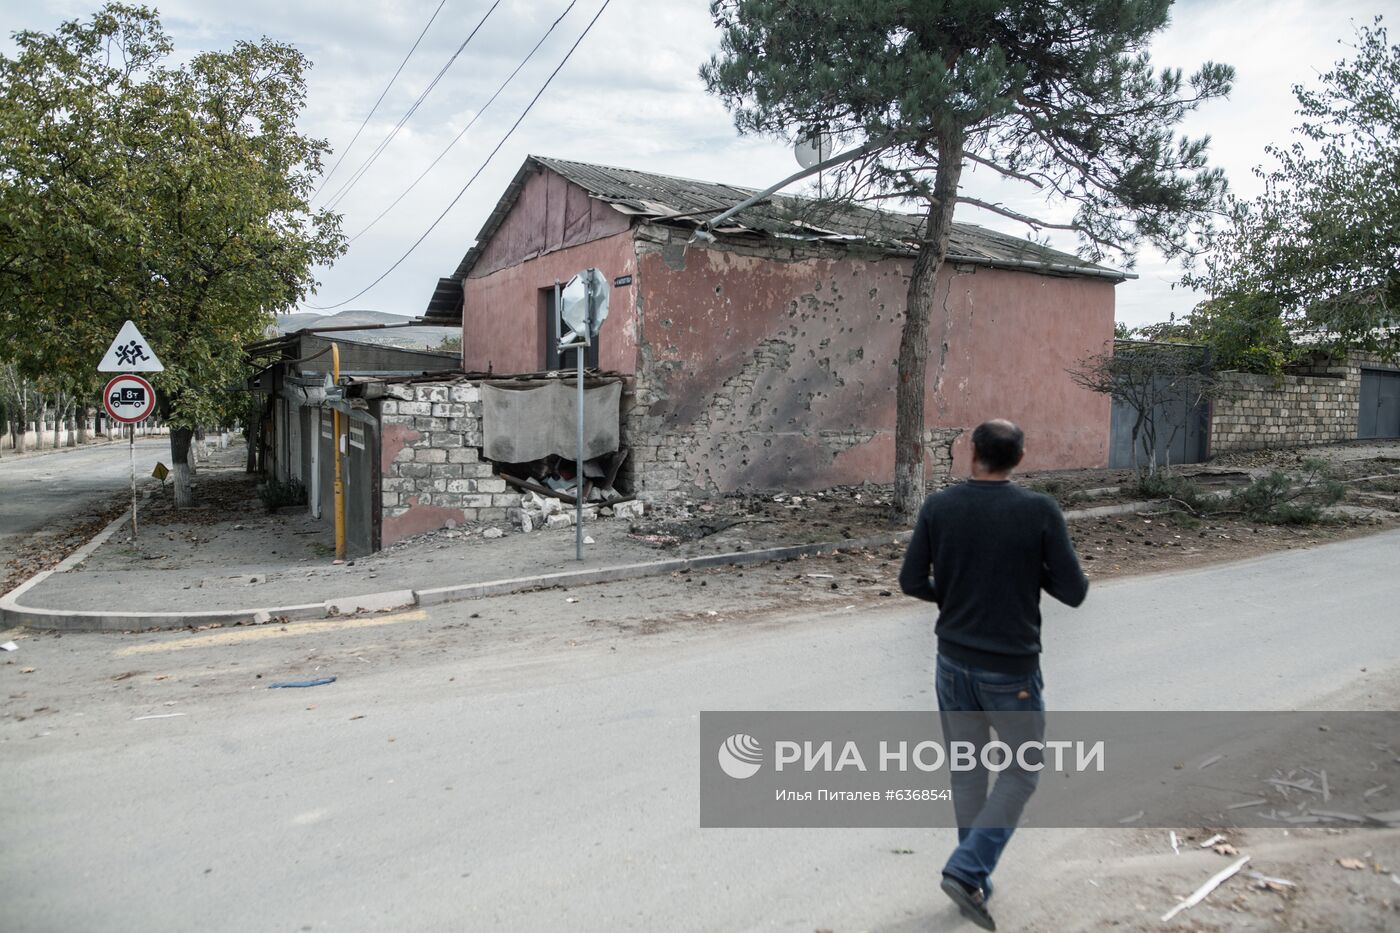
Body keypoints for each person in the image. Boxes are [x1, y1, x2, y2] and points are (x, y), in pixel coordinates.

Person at [898, 419, 1089, 931]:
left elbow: (911, 580)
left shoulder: (940, 507)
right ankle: (967, 868)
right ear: (1019, 457)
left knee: (968, 768)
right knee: (1022, 771)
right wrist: (1028, 570)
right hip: (1011, 671)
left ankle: (971, 872)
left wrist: (958, 594)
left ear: (972, 452)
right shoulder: (1039, 512)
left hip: (952, 663)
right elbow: (1074, 591)